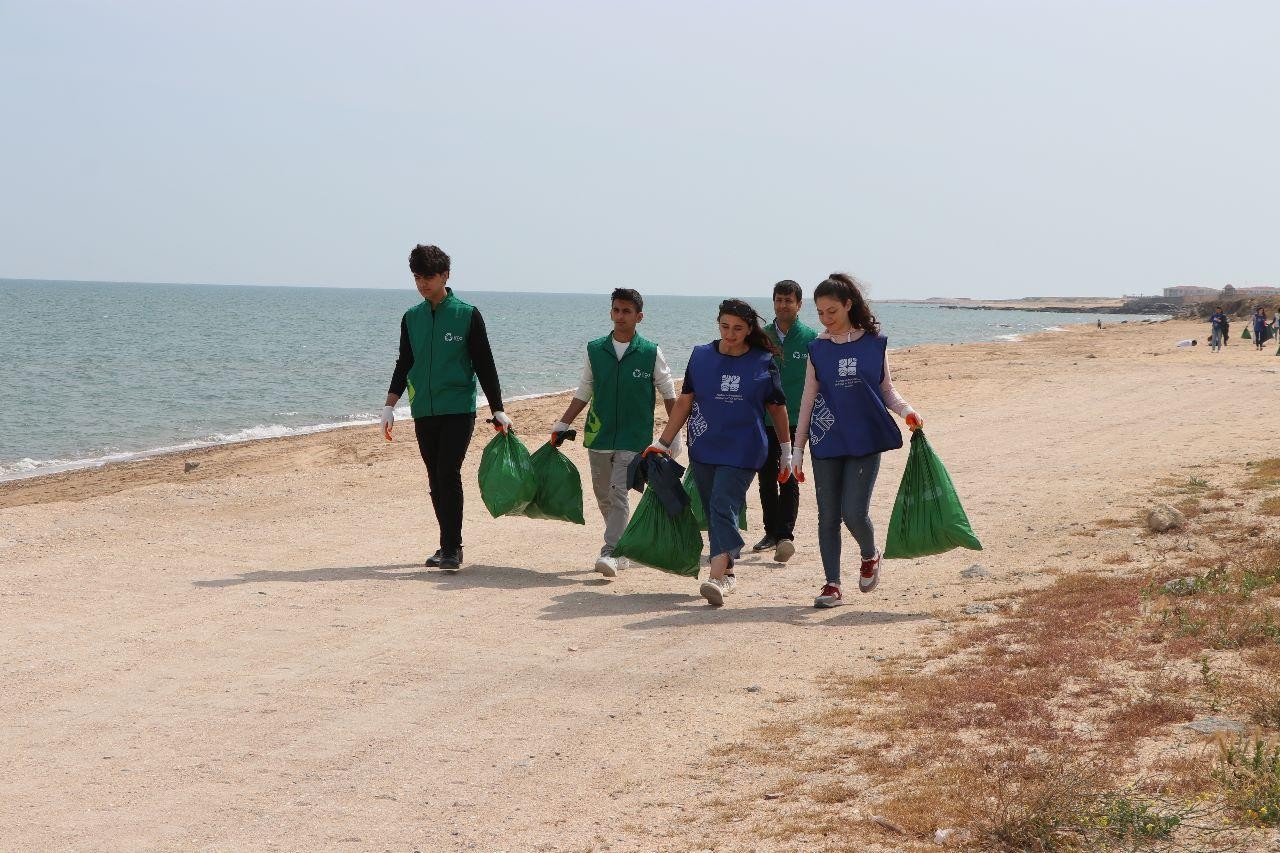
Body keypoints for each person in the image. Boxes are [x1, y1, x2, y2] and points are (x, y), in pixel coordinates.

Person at [790, 273, 922, 609]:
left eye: (831, 310)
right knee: (827, 516)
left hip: (865, 439)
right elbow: (808, 398)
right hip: (827, 439)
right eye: (820, 312)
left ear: (849, 305)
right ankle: (832, 584)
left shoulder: (874, 343)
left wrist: (907, 412)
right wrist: (797, 450)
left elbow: (886, 390)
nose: (826, 318)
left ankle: (869, 554)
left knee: (853, 512)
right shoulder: (817, 349)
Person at [648, 299, 791, 606]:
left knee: (722, 505)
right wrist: (663, 442)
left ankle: (715, 578)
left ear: (749, 329)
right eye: (725, 326)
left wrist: (787, 450)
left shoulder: (763, 361)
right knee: (714, 508)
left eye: (738, 328)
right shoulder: (700, 356)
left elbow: (777, 409)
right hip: (704, 445)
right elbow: (685, 401)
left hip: (745, 448)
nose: (730, 333)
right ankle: (727, 572)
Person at [382, 244, 510, 573]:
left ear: (445, 276)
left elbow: (484, 364)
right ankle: (445, 544)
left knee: (447, 472)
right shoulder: (412, 318)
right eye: (417, 277)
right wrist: (390, 404)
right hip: (424, 408)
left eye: (428, 276)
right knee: (434, 478)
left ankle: (453, 547)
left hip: (458, 407)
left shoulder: (467, 314)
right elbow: (405, 362)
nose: (422, 283)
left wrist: (497, 409)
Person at [550, 288, 678, 578]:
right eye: (616, 310)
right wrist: (563, 423)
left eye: (627, 311)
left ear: (639, 317)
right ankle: (624, 542)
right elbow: (585, 388)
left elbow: (669, 393)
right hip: (599, 434)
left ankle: (612, 551)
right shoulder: (595, 349)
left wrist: (674, 435)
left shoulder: (650, 351)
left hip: (635, 436)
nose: (620, 316)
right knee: (603, 494)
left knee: (619, 492)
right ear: (611, 312)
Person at [752, 280, 818, 563]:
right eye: (779, 300)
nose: (783, 305)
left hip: (796, 420)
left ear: (799, 304)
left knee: (789, 478)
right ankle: (770, 532)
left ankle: (786, 536)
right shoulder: (761, 336)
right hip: (763, 419)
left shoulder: (811, 338)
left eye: (789, 300)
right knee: (766, 478)